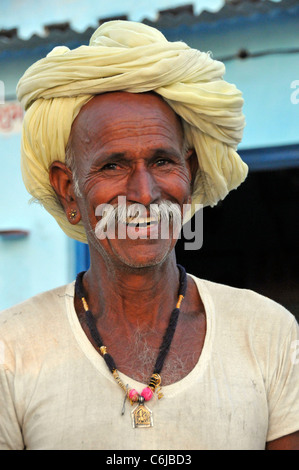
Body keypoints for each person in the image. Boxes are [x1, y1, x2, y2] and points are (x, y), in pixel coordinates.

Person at [0, 20, 298, 451]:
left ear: (190, 173)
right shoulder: (13, 349)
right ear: (69, 189)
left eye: (162, 162)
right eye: (112, 165)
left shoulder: (267, 333)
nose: (144, 194)